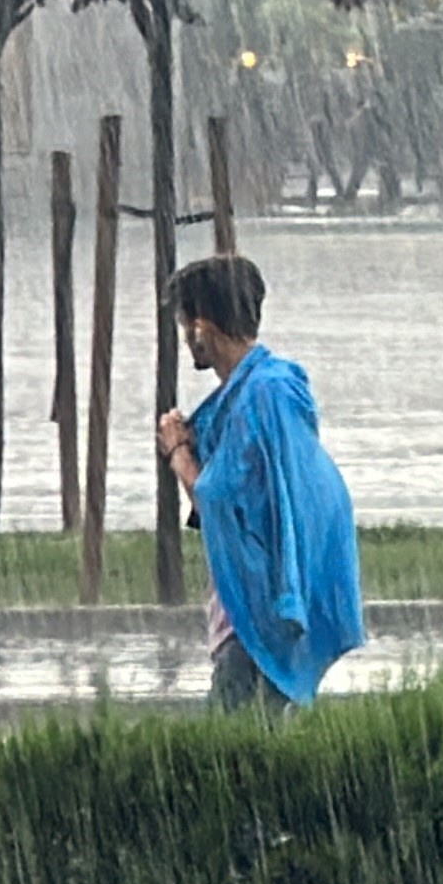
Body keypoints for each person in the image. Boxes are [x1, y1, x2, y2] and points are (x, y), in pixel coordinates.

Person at [155, 255, 365, 713]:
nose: (184, 337)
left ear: (202, 327)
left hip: (258, 611)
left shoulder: (265, 394)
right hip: (246, 608)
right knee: (253, 746)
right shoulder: (254, 395)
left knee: (227, 753)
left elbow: (221, 499)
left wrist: (179, 454)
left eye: (184, 323)